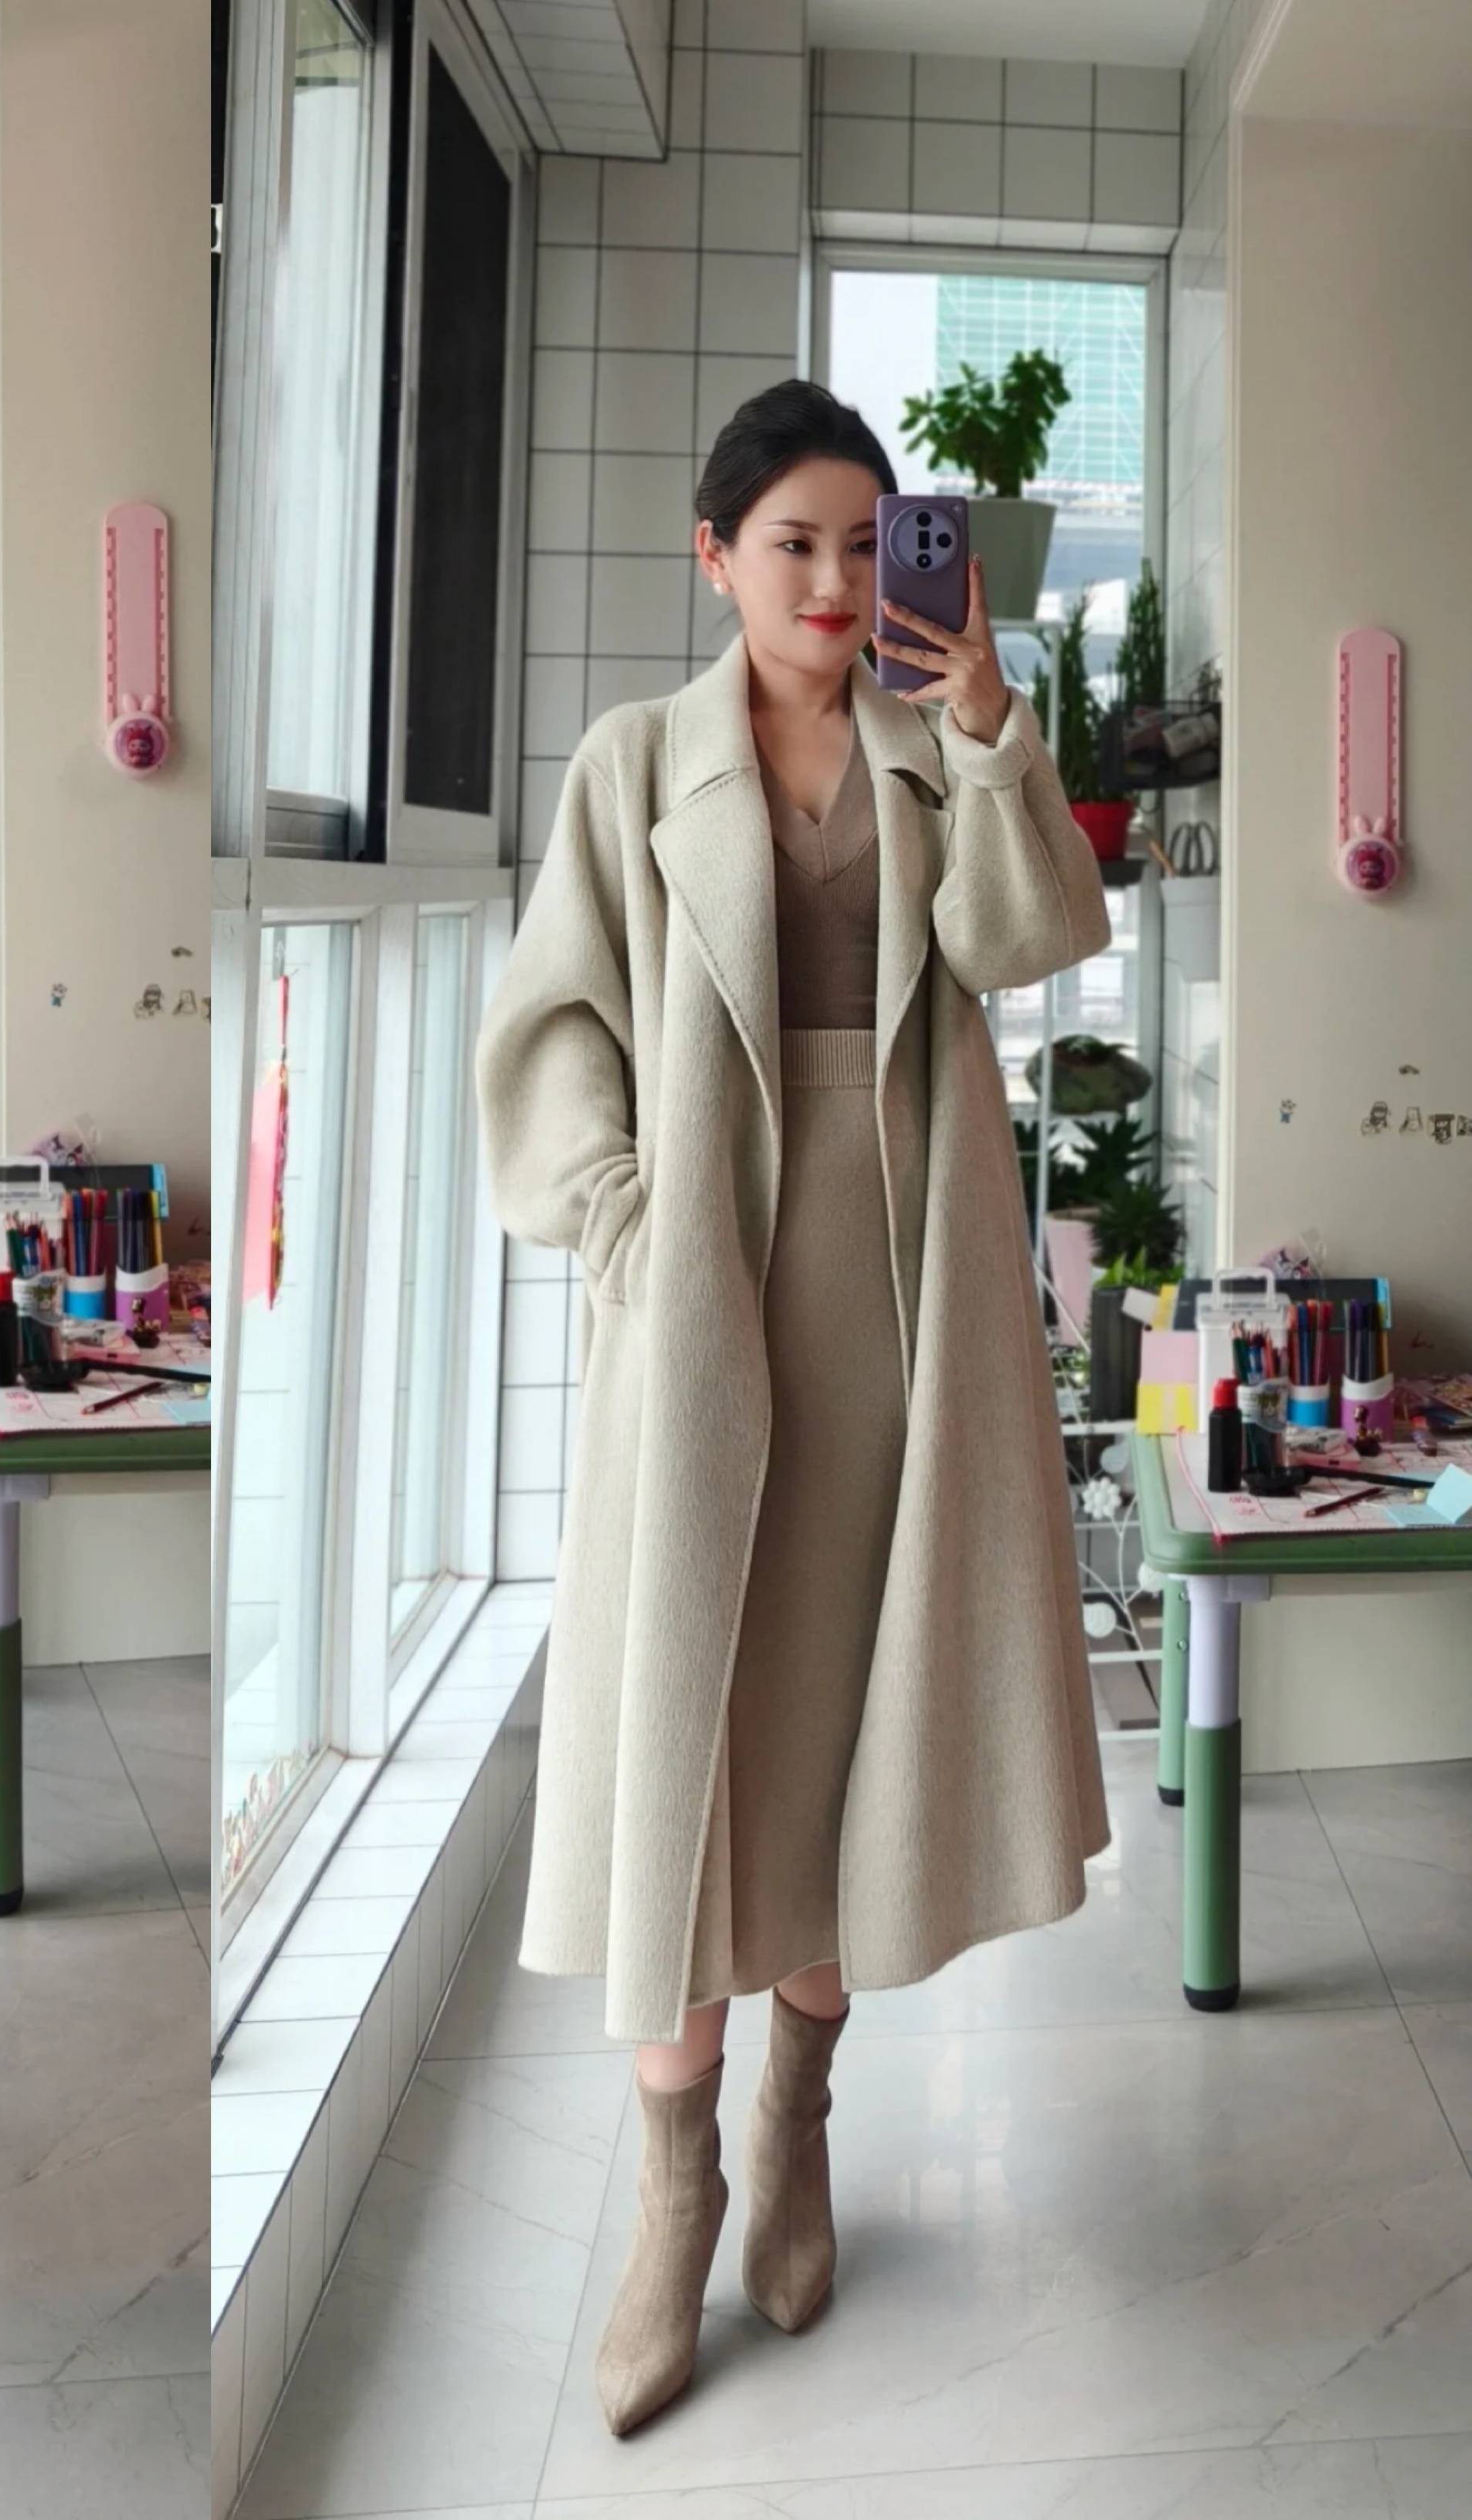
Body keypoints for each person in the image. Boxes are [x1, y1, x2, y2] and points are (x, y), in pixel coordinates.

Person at [473, 378, 1115, 2434]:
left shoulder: (937, 750)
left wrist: (993, 722)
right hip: (703, 1298)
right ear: (716, 556)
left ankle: (797, 2115)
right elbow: (551, 1022)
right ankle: (672, 2189)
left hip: (904, 1292)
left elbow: (1037, 937)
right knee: (688, 1729)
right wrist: (625, 1223)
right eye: (794, 545)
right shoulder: (633, 761)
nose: (835, 582)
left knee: (847, 1726)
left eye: (865, 543)